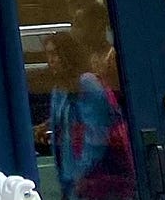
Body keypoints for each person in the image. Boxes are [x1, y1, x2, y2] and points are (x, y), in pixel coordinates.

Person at [42, 32, 136, 200]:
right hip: (70, 178)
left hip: (95, 178)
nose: (51, 60)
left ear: (68, 54)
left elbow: (96, 133)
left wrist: (83, 173)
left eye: (55, 54)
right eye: (48, 55)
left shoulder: (86, 83)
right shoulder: (58, 91)